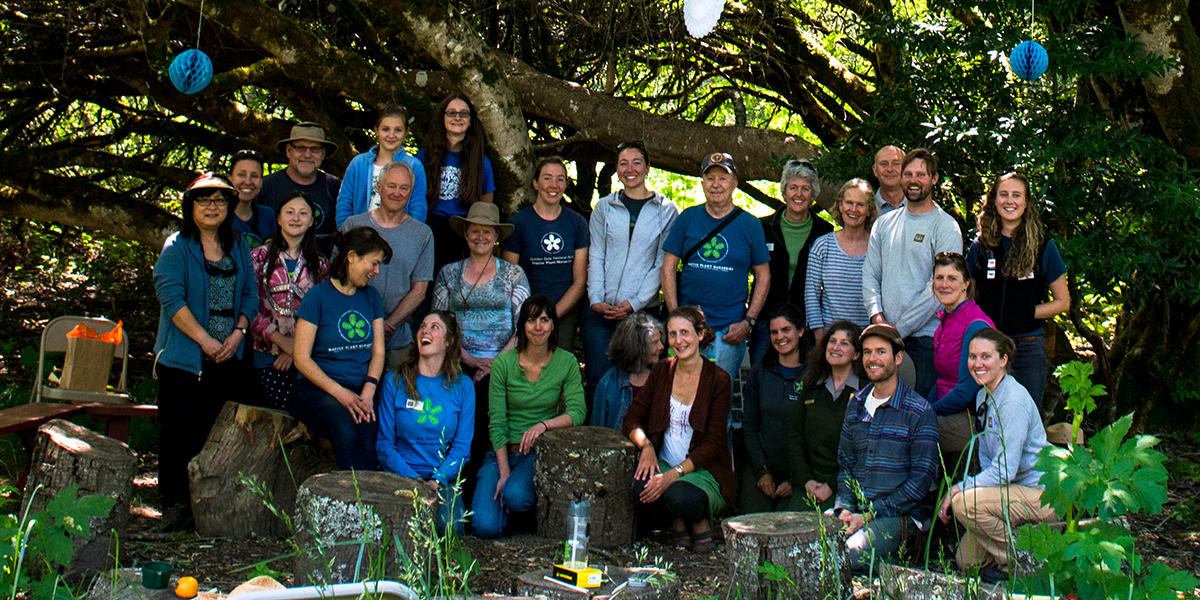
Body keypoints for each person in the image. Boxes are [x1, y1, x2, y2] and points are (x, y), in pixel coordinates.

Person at [152, 172, 258, 528]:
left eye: (220, 200)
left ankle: (209, 508)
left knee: (215, 433)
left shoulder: (239, 245)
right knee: (178, 432)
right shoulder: (176, 247)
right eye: (204, 200)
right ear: (190, 206)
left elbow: (250, 296)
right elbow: (172, 299)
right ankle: (174, 505)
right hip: (185, 357)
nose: (213, 207)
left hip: (229, 354)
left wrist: (238, 333)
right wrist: (205, 340)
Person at [937, 328, 1055, 583]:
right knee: (967, 561)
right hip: (1010, 491)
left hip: (1040, 493)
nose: (977, 364)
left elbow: (1005, 469)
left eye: (985, 357)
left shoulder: (1012, 401)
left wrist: (961, 487)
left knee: (964, 503)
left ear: (1003, 360)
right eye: (972, 357)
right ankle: (1018, 550)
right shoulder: (984, 394)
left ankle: (1021, 563)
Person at [432, 202, 530, 490]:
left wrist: (493, 363)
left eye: (487, 232)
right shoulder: (448, 274)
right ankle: (450, 483)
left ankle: (480, 485)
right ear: (466, 234)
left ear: (496, 236)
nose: (481, 237)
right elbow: (437, 322)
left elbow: (523, 325)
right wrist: (469, 359)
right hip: (455, 360)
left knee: (485, 404)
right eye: (475, 231)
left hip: (504, 360)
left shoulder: (513, 274)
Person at [472, 296, 586, 538]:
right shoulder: (504, 362)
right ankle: (510, 512)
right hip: (501, 452)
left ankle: (520, 507)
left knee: (515, 495)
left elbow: (577, 412)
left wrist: (543, 426)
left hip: (537, 453)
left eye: (544, 320)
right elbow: (497, 421)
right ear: (522, 325)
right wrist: (503, 472)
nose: (538, 327)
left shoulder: (566, 362)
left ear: (554, 325)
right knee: (484, 526)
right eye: (532, 320)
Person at [623, 306, 734, 553]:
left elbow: (713, 443)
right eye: (672, 334)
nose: (678, 341)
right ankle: (679, 521)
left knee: (680, 496)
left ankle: (697, 520)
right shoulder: (663, 371)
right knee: (639, 489)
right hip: (662, 461)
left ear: (700, 334)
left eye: (685, 332)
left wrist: (673, 475)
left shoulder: (718, 379)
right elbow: (631, 418)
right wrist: (647, 446)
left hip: (703, 470)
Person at [834, 324, 939, 572]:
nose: (873, 358)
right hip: (857, 514)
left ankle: (899, 563)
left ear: (898, 358)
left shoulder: (919, 411)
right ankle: (885, 565)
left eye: (881, 351)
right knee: (812, 548)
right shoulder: (856, 404)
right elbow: (845, 465)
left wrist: (870, 514)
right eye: (868, 352)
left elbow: (920, 483)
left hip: (898, 518)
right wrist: (846, 509)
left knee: (846, 557)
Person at [662, 152, 770, 383]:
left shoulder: (750, 224)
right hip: (687, 329)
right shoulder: (688, 218)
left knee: (719, 400)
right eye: (710, 178)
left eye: (723, 178)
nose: (716, 184)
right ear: (702, 183)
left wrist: (748, 321)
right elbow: (668, 267)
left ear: (734, 183)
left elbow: (763, 275)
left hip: (728, 331)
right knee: (679, 392)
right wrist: (675, 316)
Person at [863, 148, 962, 398]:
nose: (913, 180)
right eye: (908, 174)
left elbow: (941, 288)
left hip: (925, 342)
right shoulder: (884, 224)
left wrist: (898, 330)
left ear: (934, 179)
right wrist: (877, 318)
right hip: (884, 338)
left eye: (921, 174)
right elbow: (870, 275)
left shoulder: (945, 226)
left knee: (919, 416)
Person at [967, 172, 1069, 410]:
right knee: (987, 419)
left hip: (1027, 348)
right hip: (986, 347)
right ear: (994, 200)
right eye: (1003, 194)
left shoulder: (1043, 246)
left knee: (1026, 417)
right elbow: (966, 297)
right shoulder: (981, 246)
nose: (1009, 201)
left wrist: (1027, 312)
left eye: (1016, 195)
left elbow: (1063, 302)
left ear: (1026, 202)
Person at [291, 226, 390, 470]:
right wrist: (341, 394)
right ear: (352, 257)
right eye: (374, 263)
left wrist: (368, 389)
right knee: (346, 428)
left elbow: (378, 352)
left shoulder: (372, 298)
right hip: (320, 387)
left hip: (360, 387)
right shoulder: (317, 297)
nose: (377, 272)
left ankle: (368, 501)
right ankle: (353, 502)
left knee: (370, 435)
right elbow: (301, 359)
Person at [584, 142, 678, 397]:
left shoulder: (666, 210)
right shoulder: (604, 207)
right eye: (623, 163)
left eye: (637, 162)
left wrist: (634, 303)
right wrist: (595, 300)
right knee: (599, 382)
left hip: (641, 313)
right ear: (616, 169)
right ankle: (597, 437)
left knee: (640, 383)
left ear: (647, 168)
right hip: (601, 312)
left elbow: (661, 263)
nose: (630, 169)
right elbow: (596, 254)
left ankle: (637, 436)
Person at [377, 311, 475, 534]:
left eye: (434, 327)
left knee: (451, 528)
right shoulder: (394, 381)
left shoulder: (463, 386)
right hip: (401, 477)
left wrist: (437, 481)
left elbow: (462, 448)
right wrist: (416, 481)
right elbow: (384, 445)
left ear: (449, 342)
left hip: (442, 482)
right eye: (422, 325)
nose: (425, 331)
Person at [341, 161, 434, 369]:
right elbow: (336, 278)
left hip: (396, 338)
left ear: (411, 192)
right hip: (350, 331)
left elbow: (419, 291)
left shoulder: (422, 235)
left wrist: (388, 325)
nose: (397, 193)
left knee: (394, 397)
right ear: (379, 187)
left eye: (404, 188)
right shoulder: (353, 225)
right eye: (391, 186)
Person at [249, 190, 329, 410]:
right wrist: (282, 343)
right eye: (290, 212)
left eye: (303, 213)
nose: (296, 218)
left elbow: (324, 311)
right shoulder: (259, 257)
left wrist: (297, 350)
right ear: (278, 218)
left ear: (312, 221)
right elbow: (248, 305)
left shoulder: (320, 264)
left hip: (308, 356)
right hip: (268, 354)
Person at [500, 157, 589, 350]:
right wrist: (533, 318)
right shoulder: (518, 223)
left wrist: (552, 316)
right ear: (535, 183)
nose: (554, 185)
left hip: (563, 312)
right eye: (547, 178)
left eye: (560, 179)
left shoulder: (578, 223)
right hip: (525, 312)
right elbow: (509, 279)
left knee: (556, 369)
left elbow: (580, 282)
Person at [750, 160, 834, 365]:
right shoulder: (762, 228)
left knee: (804, 383)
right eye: (793, 188)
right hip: (766, 322)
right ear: (784, 191)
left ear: (813, 194)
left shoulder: (825, 232)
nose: (799, 194)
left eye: (805, 189)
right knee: (763, 379)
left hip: (806, 322)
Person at [741, 303, 811, 512]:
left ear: (800, 331)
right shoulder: (760, 372)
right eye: (774, 332)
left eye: (786, 330)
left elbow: (817, 435)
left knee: (789, 528)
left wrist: (798, 478)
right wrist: (762, 472)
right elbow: (749, 425)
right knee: (752, 524)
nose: (780, 337)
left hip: (800, 471)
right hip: (762, 465)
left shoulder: (815, 375)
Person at [788, 320, 864, 511]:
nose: (836, 347)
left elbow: (864, 451)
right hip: (809, 483)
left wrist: (832, 485)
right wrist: (806, 480)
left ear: (856, 354)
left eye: (844, 343)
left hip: (845, 487)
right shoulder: (811, 386)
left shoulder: (866, 392)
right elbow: (795, 436)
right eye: (832, 341)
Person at [419, 95, 496, 274]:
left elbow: (486, 208)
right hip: (429, 230)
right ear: (442, 118)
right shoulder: (424, 157)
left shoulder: (481, 163)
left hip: (463, 232)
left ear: (470, 122)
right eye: (451, 113)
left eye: (463, 114)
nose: (457, 118)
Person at [929, 252, 993, 459]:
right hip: (948, 408)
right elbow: (942, 379)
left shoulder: (975, 324)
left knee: (906, 431)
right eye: (939, 278)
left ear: (966, 284)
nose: (944, 284)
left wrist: (927, 413)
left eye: (952, 278)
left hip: (971, 418)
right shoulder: (947, 319)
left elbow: (967, 390)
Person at [805, 178, 877, 339]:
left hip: (866, 339)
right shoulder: (823, 246)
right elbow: (811, 295)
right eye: (849, 203)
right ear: (840, 205)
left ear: (869, 210)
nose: (853, 209)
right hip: (830, 339)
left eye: (860, 204)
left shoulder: (877, 248)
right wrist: (819, 335)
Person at [336, 104, 428, 226]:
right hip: (359, 237)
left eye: (398, 130)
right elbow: (344, 203)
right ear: (376, 130)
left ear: (406, 132)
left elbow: (418, 209)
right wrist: (347, 235)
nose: (391, 135)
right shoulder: (358, 164)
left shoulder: (414, 166)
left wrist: (408, 238)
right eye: (385, 129)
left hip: (398, 239)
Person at [259, 122, 342, 253]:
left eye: (314, 149)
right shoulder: (265, 186)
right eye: (300, 148)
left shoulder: (336, 188)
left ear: (323, 153)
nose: (307, 155)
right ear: (288, 150)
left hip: (325, 269)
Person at [589, 312, 666, 430]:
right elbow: (596, 431)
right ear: (637, 347)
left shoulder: (663, 379)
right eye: (654, 342)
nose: (661, 347)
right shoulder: (608, 383)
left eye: (660, 340)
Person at [229, 149, 276, 248]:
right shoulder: (218, 215)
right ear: (230, 179)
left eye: (254, 176)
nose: (248, 182)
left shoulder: (268, 215)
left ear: (262, 181)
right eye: (241, 175)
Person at [872, 145, 906, 215]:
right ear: (875, 171)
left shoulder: (924, 207)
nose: (890, 169)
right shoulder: (866, 209)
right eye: (884, 164)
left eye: (896, 164)